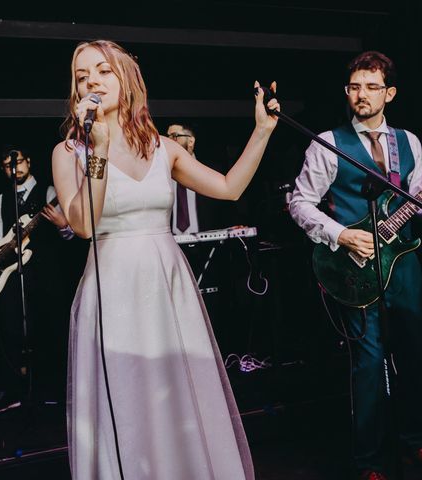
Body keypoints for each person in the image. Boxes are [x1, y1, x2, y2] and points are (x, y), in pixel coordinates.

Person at [51, 39, 279, 479]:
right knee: (127, 395)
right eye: (82, 77)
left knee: (177, 394)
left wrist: (262, 132)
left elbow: (229, 187)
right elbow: (82, 224)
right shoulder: (69, 153)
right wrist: (96, 150)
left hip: (166, 282)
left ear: (127, 78)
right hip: (111, 284)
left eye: (103, 71)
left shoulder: (163, 148)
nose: (92, 82)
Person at [288, 51, 422, 479]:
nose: (360, 95)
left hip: (403, 264)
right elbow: (299, 202)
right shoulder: (327, 142)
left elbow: (420, 203)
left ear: (390, 93)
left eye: (370, 86)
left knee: (414, 354)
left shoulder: (409, 141)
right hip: (355, 264)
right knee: (368, 365)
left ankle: (414, 443)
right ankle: (367, 461)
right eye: (354, 86)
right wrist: (340, 234)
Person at [0, 147, 74, 411]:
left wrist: (61, 224)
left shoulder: (51, 193)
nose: (15, 168)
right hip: (12, 275)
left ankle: (51, 391)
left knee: (48, 328)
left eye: (18, 162)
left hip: (45, 273)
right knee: (12, 331)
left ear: (28, 161)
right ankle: (16, 392)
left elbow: (70, 234)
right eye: (8, 165)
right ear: (3, 170)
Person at [167, 123, 201, 235]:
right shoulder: (162, 175)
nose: (169, 141)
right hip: (171, 244)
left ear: (191, 141)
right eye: (168, 137)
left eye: (174, 136)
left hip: (207, 246)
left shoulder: (208, 172)